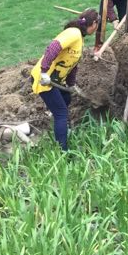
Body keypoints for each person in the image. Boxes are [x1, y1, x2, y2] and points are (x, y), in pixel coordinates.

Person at [30, 9, 99, 151]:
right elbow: (53, 47)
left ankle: (62, 130)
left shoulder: (79, 38)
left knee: (66, 98)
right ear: (94, 24)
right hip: (44, 79)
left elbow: (72, 64)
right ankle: (62, 150)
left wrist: (71, 84)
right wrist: (44, 71)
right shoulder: (73, 33)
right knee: (61, 112)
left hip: (56, 80)